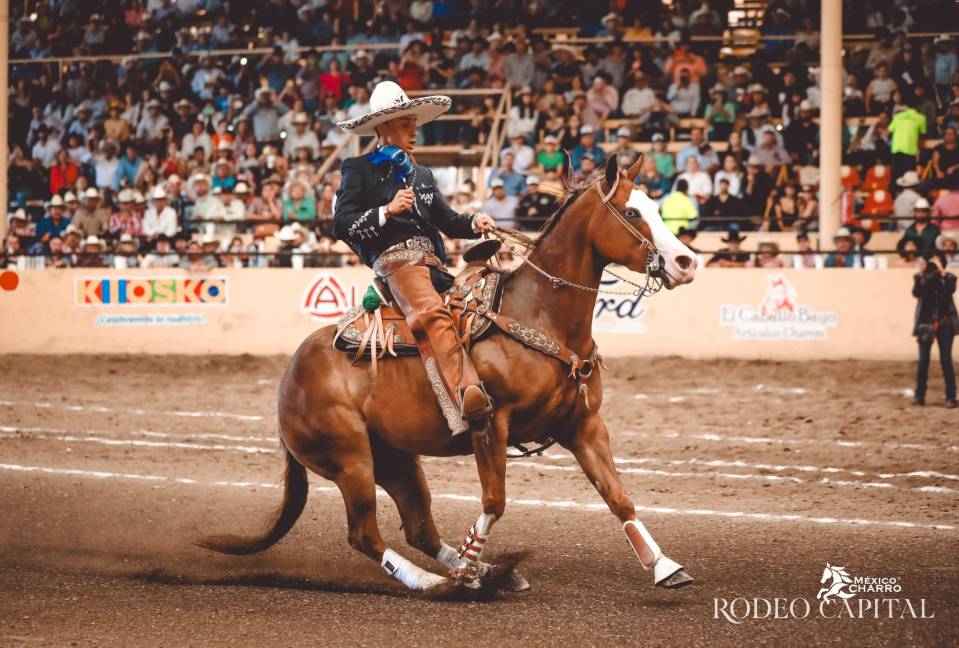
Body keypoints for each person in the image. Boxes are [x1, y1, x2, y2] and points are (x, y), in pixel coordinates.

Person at [333, 81, 496, 438]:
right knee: (432, 313)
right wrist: (386, 211)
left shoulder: (422, 174)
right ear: (383, 127)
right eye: (406, 123)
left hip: (434, 267)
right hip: (398, 264)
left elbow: (447, 220)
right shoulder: (357, 168)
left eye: (414, 124)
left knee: (480, 306)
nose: (414, 131)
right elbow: (341, 224)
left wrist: (474, 222)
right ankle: (468, 392)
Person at [912, 253, 958, 408]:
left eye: (936, 260)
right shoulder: (921, 278)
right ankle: (919, 396)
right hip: (926, 323)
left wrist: (941, 271)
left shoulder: (949, 278)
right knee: (923, 361)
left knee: (946, 360)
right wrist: (922, 272)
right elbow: (916, 292)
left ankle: (951, 397)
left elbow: (950, 289)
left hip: (945, 323)